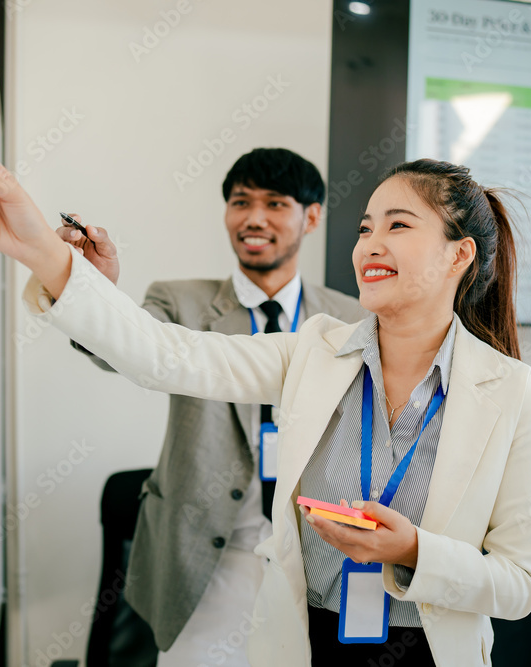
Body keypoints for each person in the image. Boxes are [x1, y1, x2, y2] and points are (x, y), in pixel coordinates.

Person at [0, 122, 531, 667]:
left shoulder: (510, 392)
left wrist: (415, 551)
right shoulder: (314, 349)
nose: (370, 242)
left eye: (398, 225)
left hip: (431, 652)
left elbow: (520, 583)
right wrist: (39, 247)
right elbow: (167, 355)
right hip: (307, 644)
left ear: (460, 253)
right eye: (365, 226)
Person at [55, 148, 367, 666]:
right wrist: (96, 293)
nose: (254, 218)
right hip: (202, 555)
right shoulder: (180, 300)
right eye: (240, 202)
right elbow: (123, 350)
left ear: (311, 216)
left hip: (309, 551)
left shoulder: (349, 316)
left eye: (274, 203)